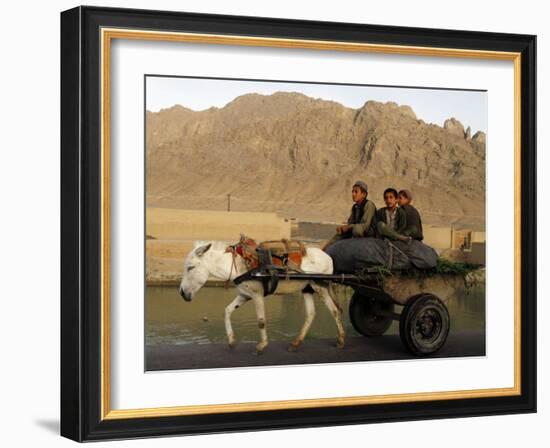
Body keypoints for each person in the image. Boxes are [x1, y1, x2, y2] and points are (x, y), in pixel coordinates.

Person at [322, 180, 377, 251]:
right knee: (340, 233)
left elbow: (365, 225)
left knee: (357, 229)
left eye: (356, 192)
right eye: (352, 192)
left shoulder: (369, 205)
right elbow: (350, 223)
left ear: (364, 194)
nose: (353, 194)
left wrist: (349, 227)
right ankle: (324, 251)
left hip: (368, 233)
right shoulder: (355, 207)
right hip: (356, 231)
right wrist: (343, 228)